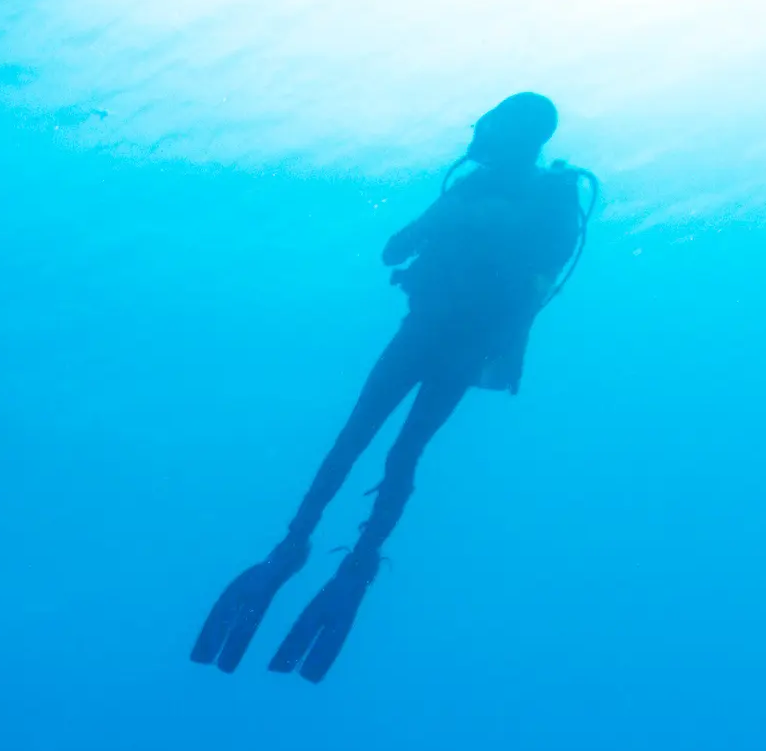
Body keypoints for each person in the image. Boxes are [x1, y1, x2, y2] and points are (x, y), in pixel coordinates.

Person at [195, 93, 595, 682]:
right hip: (437, 332)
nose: (480, 135)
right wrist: (453, 219)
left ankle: (327, 555)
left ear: (519, 134)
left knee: (380, 443)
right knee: (378, 444)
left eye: (493, 126)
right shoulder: (478, 190)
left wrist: (467, 219)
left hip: (456, 340)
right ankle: (314, 551)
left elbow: (546, 256)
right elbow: (395, 249)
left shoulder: (549, 194)